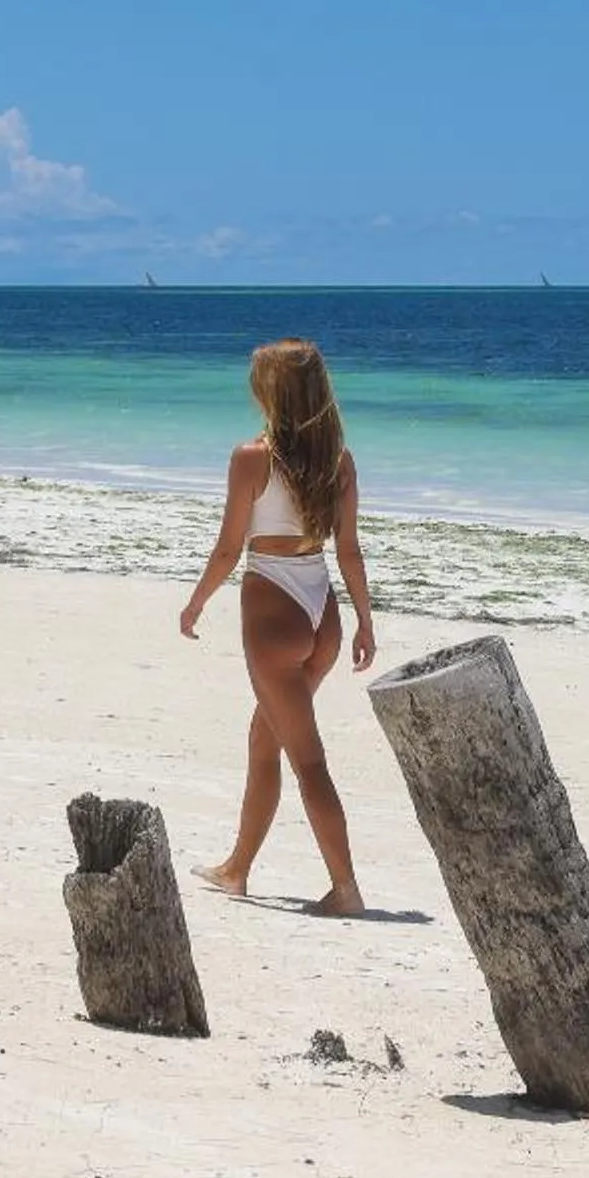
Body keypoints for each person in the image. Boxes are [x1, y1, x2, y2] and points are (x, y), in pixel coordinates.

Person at [180, 337, 375, 916]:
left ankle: (345, 890)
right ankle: (237, 868)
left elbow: (227, 550)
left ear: (272, 393)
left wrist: (195, 605)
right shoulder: (338, 462)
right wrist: (364, 623)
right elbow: (351, 554)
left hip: (274, 612)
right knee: (264, 738)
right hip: (323, 614)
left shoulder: (251, 457)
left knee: (307, 760)